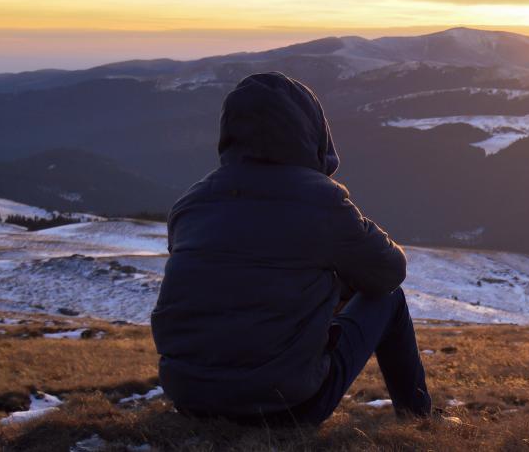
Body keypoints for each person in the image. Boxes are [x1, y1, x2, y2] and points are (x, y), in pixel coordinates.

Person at [151, 72, 430, 427]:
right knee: (388, 297)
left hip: (189, 399)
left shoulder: (190, 203)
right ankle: (419, 417)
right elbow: (390, 270)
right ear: (312, 130)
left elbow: (229, 285)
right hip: (285, 407)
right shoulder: (320, 202)